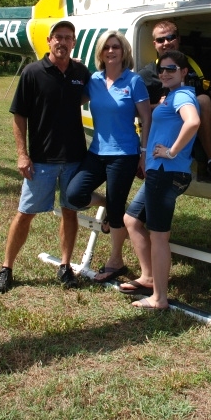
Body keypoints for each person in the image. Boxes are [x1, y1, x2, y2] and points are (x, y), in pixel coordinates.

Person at [0, 20, 91, 293]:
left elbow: (86, 97)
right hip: (42, 160)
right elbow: (19, 115)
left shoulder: (81, 72)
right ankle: (6, 268)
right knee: (25, 214)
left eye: (68, 37)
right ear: (49, 40)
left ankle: (65, 266)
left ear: (74, 42)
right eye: (58, 37)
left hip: (73, 158)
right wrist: (22, 155)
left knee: (70, 213)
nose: (63, 42)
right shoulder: (33, 72)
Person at [66, 31, 151, 283]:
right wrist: (73, 69)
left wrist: (143, 154)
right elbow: (73, 98)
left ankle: (116, 261)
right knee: (73, 194)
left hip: (124, 154)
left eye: (116, 47)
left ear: (124, 51)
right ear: (101, 53)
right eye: (106, 48)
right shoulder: (93, 80)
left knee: (116, 210)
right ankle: (108, 203)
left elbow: (146, 118)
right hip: (97, 152)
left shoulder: (133, 81)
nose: (111, 51)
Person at [119, 50, 200, 310]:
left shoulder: (184, 95)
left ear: (184, 72)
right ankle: (149, 276)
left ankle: (159, 298)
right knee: (131, 219)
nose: (164, 73)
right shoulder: (172, 96)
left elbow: (193, 121)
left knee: (159, 236)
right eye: (161, 69)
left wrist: (172, 151)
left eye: (171, 69)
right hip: (158, 172)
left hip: (167, 171)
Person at [136, 20, 211, 164]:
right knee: (203, 100)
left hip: (201, 124)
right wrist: (160, 106)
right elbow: (135, 110)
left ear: (179, 39)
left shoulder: (198, 65)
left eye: (170, 37)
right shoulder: (146, 75)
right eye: (161, 40)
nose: (166, 43)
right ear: (154, 44)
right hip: (169, 128)